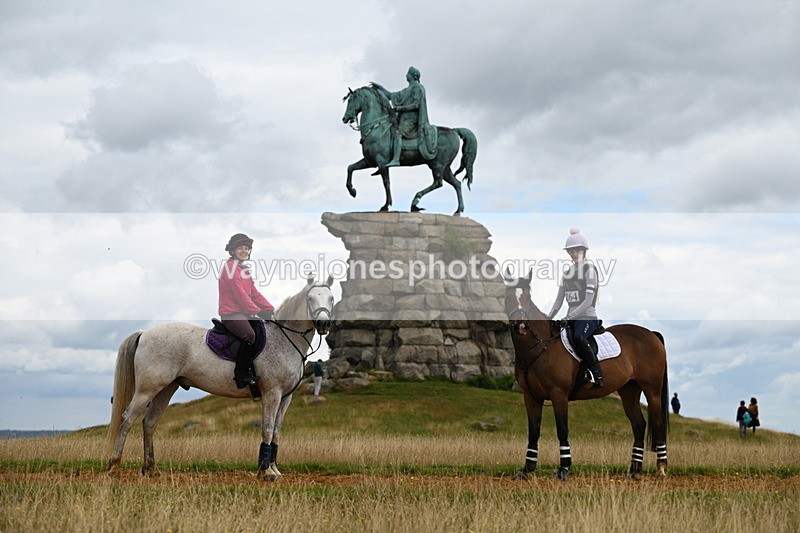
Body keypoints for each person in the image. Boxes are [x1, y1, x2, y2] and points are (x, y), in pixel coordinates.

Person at [218, 233, 275, 389]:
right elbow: (240, 295)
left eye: (247, 248)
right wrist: (258, 311)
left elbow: (254, 294)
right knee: (249, 335)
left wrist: (270, 309)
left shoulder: (243, 270)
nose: (244, 251)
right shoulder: (230, 268)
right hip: (231, 314)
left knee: (263, 331)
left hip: (245, 313)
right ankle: (241, 374)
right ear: (233, 250)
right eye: (240, 248)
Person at [548, 228, 604, 387]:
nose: (574, 254)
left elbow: (587, 301)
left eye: (577, 250)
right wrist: (547, 318)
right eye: (571, 251)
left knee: (579, 337)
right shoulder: (566, 274)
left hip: (587, 317)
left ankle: (596, 374)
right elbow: (558, 301)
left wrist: (568, 317)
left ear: (584, 251)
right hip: (570, 318)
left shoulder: (590, 270)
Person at [371, 66, 436, 167]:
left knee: (398, 133)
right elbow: (391, 96)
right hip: (403, 118)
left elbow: (416, 104)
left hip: (412, 120)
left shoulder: (417, 88)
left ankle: (396, 159)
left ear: (413, 76)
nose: (406, 75)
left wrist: (400, 108)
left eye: (408, 73)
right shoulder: (407, 90)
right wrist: (380, 88)